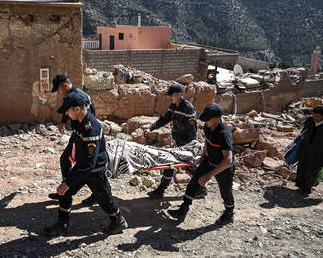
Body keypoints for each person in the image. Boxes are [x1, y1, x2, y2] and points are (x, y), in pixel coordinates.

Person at [44, 93, 128, 236]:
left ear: (77, 109)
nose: (66, 113)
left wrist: (68, 181)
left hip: (95, 171)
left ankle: (119, 221)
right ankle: (62, 225)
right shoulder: (78, 122)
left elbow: (90, 162)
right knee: (65, 193)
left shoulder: (91, 128)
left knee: (105, 199)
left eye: (68, 110)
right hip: (82, 168)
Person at [167, 103, 236, 225]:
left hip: (223, 167)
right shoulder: (208, 127)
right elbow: (207, 141)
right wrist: (203, 155)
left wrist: (209, 175)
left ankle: (229, 213)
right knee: (194, 183)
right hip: (209, 161)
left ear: (217, 119)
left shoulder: (223, 134)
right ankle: (183, 209)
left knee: (226, 192)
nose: (205, 122)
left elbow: (228, 160)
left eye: (208, 120)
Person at [144, 83, 206, 199]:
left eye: (171, 95)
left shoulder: (188, 109)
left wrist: (191, 148)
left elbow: (192, 130)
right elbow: (164, 119)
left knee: (190, 167)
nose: (170, 98)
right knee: (169, 164)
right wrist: (150, 128)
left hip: (187, 144)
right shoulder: (173, 106)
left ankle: (201, 189)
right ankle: (161, 190)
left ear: (179, 94)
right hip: (178, 143)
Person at [49, 74, 97, 206]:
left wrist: (82, 137)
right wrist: (63, 123)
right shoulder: (71, 96)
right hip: (78, 134)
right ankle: (65, 189)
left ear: (64, 85)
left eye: (58, 90)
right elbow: (66, 111)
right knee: (66, 160)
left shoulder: (78, 97)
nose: (59, 93)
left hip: (84, 135)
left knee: (86, 165)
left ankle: (93, 194)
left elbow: (88, 118)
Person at [296, 105, 323, 195]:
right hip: (306, 149)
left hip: (319, 153)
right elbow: (304, 131)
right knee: (302, 167)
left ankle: (307, 188)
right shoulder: (310, 120)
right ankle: (300, 186)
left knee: (312, 170)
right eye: (314, 115)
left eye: (317, 116)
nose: (315, 118)